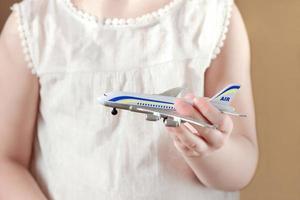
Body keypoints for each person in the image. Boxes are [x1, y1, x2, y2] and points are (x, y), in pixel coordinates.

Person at [0, 0, 258, 199]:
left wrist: (212, 150)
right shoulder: (33, 26)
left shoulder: (212, 17)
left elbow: (242, 168)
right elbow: (6, 160)